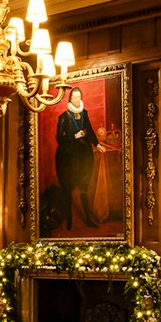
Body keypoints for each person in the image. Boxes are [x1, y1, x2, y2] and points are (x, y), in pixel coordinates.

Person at [54, 87, 106, 230]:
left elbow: (89, 131)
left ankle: (89, 219)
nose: (76, 99)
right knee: (68, 189)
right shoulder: (64, 117)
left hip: (83, 155)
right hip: (68, 157)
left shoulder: (84, 113)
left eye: (79, 97)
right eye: (74, 97)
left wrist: (97, 144)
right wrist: (74, 136)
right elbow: (59, 138)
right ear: (70, 99)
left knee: (84, 187)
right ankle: (69, 221)